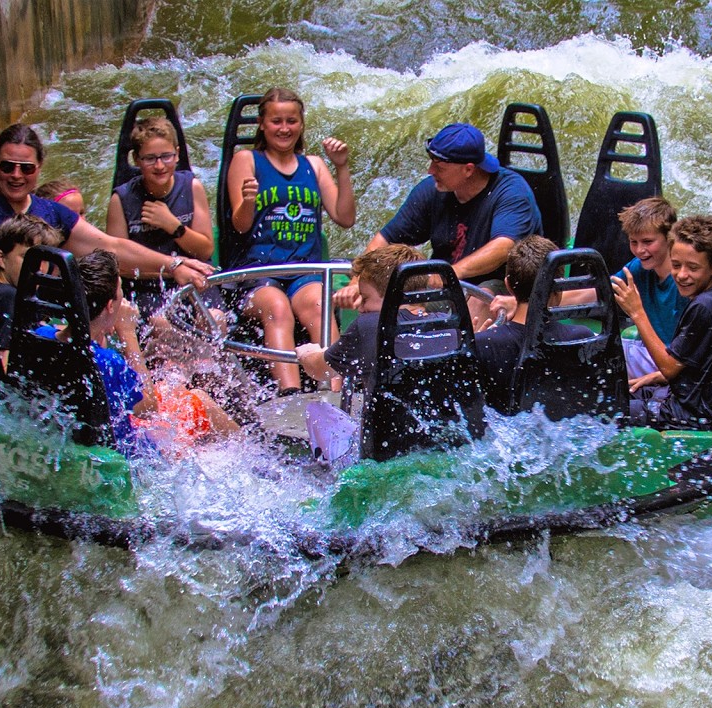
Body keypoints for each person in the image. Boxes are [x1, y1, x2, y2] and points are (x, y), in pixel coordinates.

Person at [0, 123, 213, 345]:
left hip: (32, 313)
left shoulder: (50, 211)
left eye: (26, 168)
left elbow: (109, 246)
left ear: (39, 168)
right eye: (7, 167)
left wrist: (173, 265)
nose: (16, 176)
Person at [333, 122, 542, 328]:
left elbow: (504, 247)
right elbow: (385, 240)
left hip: (500, 285)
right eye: (432, 162)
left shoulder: (511, 192)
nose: (430, 170)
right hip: (446, 284)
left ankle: (466, 358)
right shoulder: (431, 190)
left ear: (468, 169)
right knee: (387, 298)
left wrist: (452, 273)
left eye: (439, 167)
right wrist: (358, 281)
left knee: (481, 298)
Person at [35, 250, 238, 457]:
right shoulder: (107, 362)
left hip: (75, 435)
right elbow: (150, 408)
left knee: (171, 388)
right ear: (110, 306)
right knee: (199, 399)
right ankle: (249, 462)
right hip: (134, 454)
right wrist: (127, 332)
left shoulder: (42, 336)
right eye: (120, 291)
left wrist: (102, 326)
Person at [226, 87, 357, 395]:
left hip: (304, 269)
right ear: (262, 124)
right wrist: (248, 201)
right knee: (276, 307)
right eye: (276, 121)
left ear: (301, 124)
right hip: (259, 271)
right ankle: (290, 396)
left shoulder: (314, 165)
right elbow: (240, 225)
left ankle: (336, 391)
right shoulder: (247, 160)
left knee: (318, 304)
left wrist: (341, 166)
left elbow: (345, 217)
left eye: (291, 121)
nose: (284, 128)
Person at [294, 244, 424, 464]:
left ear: (393, 295)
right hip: (434, 445)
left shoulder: (370, 326)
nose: (360, 307)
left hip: (382, 454)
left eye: (364, 298)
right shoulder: (449, 325)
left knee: (317, 412)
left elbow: (320, 370)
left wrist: (308, 353)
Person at [612, 215, 712, 430]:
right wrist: (656, 377)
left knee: (607, 410)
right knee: (618, 392)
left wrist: (637, 311)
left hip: (694, 415)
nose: (682, 275)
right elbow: (688, 364)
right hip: (689, 398)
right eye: (676, 265)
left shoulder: (705, 307)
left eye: (693, 267)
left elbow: (670, 367)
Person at [105, 117, 216, 320]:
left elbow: (205, 249)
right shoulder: (121, 199)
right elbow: (117, 264)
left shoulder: (192, 187)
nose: (159, 166)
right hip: (148, 285)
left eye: (166, 156)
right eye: (149, 158)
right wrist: (172, 268)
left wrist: (173, 226)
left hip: (194, 278)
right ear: (136, 160)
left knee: (214, 318)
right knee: (160, 323)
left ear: (177, 155)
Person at [473, 234, 595, 415]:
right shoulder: (583, 338)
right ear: (559, 288)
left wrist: (471, 350)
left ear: (508, 286)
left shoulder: (484, 345)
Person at [0, 214, 63, 368]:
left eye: (44, 258)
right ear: (1, 258)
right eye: (28, 256)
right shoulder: (9, 297)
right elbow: (5, 366)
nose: (39, 266)